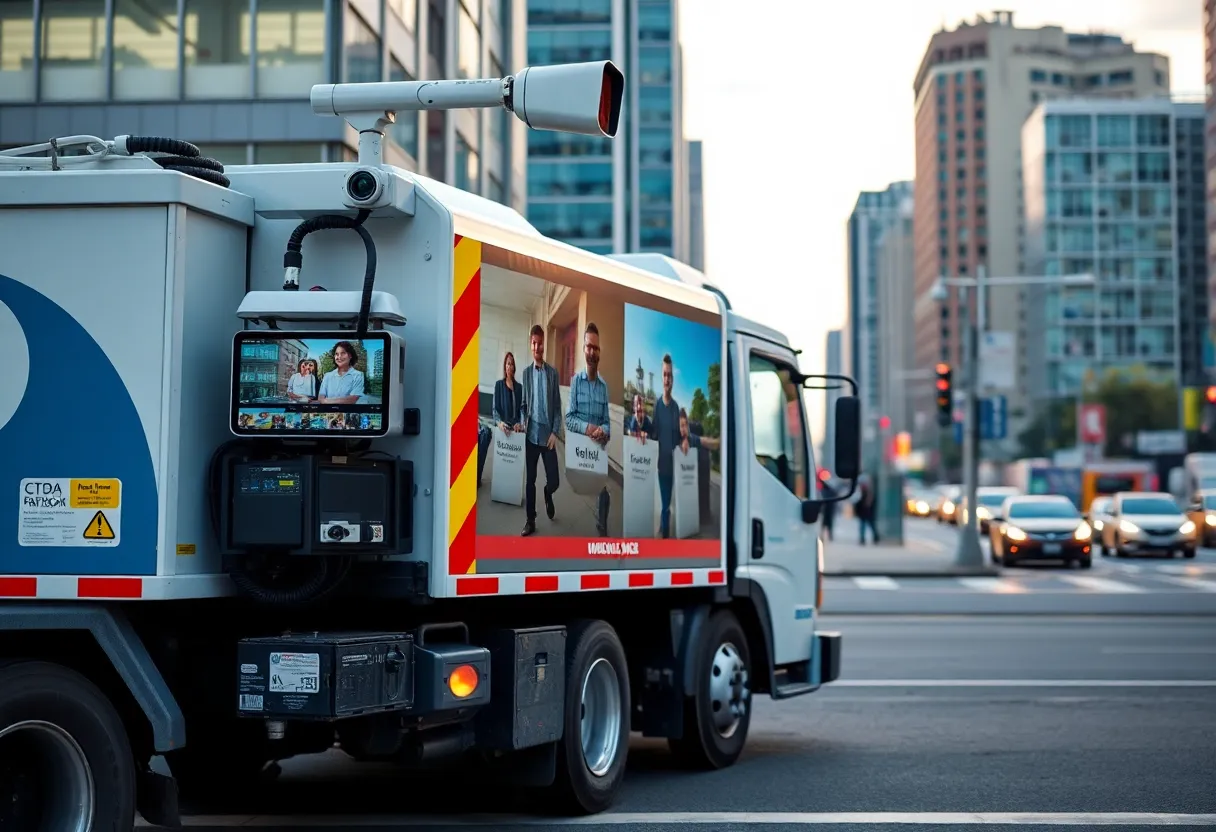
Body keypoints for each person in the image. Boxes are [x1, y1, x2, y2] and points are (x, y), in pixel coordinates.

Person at [647, 354, 720, 538]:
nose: (667, 379)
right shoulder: (656, 405)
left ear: (673, 379)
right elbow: (654, 432)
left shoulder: (676, 407)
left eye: (669, 375)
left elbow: (681, 434)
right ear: (661, 376)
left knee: (675, 505)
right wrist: (641, 428)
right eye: (664, 374)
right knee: (665, 507)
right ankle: (665, 535)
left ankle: (669, 530)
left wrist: (685, 440)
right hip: (662, 467)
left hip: (677, 467)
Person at [565, 322, 612, 536]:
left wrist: (604, 430)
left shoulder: (604, 388)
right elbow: (569, 419)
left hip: (597, 454)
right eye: (588, 347)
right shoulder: (576, 382)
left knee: (605, 494)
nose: (592, 352)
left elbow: (607, 423)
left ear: (599, 351)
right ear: (584, 349)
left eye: (596, 348)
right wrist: (589, 428)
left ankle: (602, 528)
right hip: (579, 453)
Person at [519, 325, 563, 537]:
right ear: (531, 345)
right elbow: (523, 405)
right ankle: (530, 520)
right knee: (530, 481)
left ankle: (548, 492)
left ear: (544, 344)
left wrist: (555, 432)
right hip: (530, 435)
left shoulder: (552, 374)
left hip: (548, 436)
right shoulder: (526, 374)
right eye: (534, 343)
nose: (537, 346)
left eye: (540, 342)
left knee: (554, 479)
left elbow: (557, 406)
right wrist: (521, 421)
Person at [481, 351, 524, 488]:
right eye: (508, 363)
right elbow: (495, 410)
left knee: (513, 465)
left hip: (516, 432)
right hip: (503, 430)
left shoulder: (520, 388)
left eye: (512, 364)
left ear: (514, 367)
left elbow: (522, 410)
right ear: (504, 366)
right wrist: (499, 423)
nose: (510, 366)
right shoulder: (499, 385)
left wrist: (520, 423)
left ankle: (512, 488)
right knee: (503, 463)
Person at [856, 475, 880, 545]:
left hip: (868, 513)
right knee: (864, 526)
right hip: (864, 513)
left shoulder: (869, 493)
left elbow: (868, 504)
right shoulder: (862, 492)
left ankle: (875, 537)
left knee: (871, 526)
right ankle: (863, 539)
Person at [819, 475, 838, 541]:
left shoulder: (829, 491)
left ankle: (829, 536)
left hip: (829, 510)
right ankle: (824, 536)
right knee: (825, 524)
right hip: (826, 510)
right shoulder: (824, 491)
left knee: (829, 524)